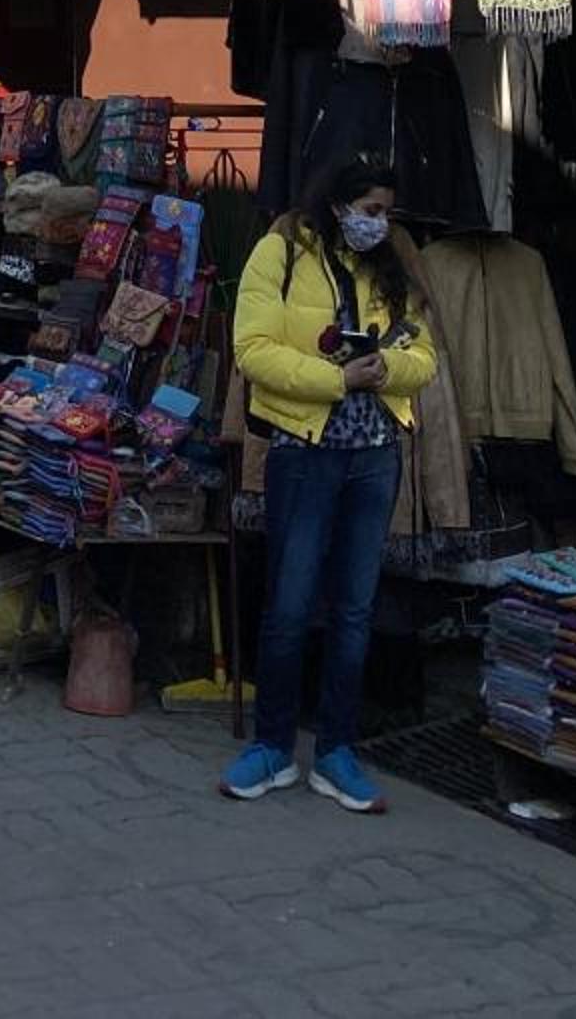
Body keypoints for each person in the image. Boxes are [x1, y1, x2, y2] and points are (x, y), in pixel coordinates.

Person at [220, 155, 436, 817]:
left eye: (387, 212)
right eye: (370, 210)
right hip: (303, 452)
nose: (380, 223)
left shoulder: (391, 265)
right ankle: (273, 745)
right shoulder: (280, 251)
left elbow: (425, 357)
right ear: (338, 205)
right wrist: (337, 380)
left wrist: (385, 368)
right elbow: (253, 349)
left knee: (354, 608)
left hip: (375, 455)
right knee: (289, 605)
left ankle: (338, 750)